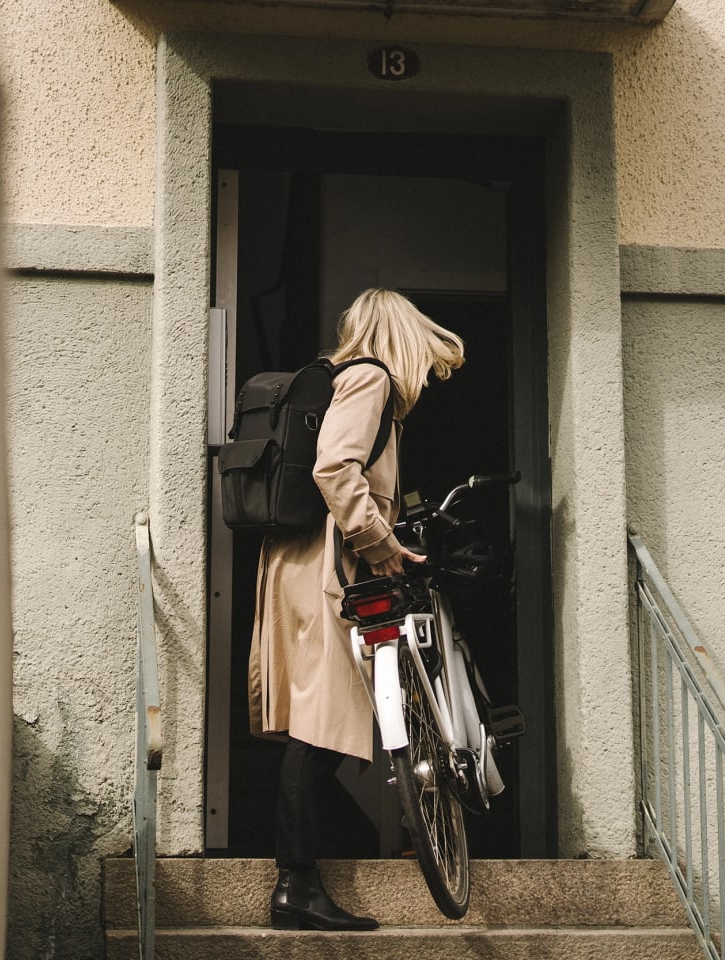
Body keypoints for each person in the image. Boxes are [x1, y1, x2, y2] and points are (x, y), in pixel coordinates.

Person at [248, 288, 465, 931]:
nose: (424, 376)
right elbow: (335, 468)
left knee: (318, 727)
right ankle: (296, 887)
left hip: (301, 562)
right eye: (425, 357)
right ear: (404, 341)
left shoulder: (345, 379)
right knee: (320, 729)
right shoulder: (371, 378)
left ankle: (299, 882)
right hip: (327, 568)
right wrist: (381, 544)